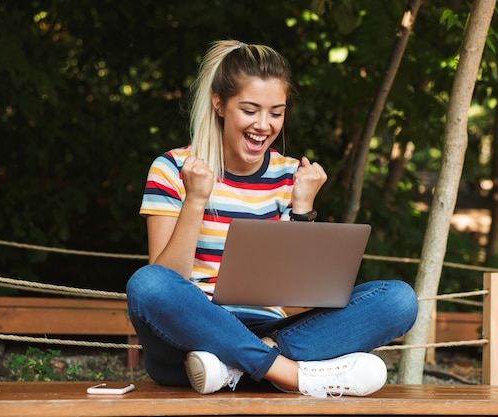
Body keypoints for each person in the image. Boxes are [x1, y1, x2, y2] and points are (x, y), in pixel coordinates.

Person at [126, 40, 418, 398]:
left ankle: (235, 367)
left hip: (266, 329)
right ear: (219, 104)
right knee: (148, 284)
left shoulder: (290, 175)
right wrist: (196, 200)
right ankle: (292, 375)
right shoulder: (171, 168)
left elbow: (299, 298)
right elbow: (168, 279)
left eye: (276, 113)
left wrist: (303, 210)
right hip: (190, 337)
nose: (263, 125)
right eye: (250, 110)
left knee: (399, 300)